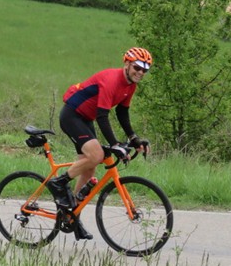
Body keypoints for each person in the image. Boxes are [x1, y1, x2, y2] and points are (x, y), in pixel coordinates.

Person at [47, 47, 153, 240]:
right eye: (138, 67)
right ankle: (58, 183)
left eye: (145, 70)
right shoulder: (112, 80)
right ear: (127, 64)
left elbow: (122, 112)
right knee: (96, 156)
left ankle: (71, 214)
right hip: (72, 115)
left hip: (86, 119)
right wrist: (115, 144)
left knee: (89, 170)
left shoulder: (131, 85)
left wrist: (133, 138)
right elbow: (103, 115)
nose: (141, 73)